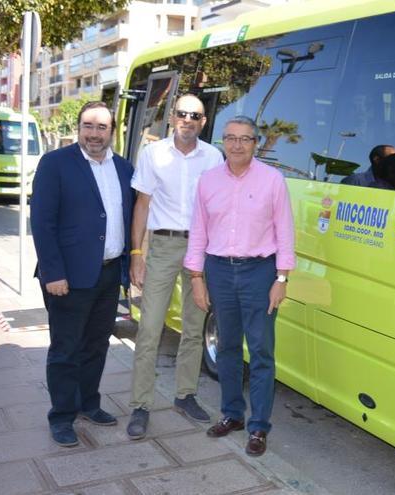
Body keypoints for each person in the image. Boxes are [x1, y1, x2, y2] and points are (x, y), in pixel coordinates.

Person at [184, 116, 295, 457]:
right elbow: (198, 232)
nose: (236, 145)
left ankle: (258, 426)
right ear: (223, 142)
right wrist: (197, 280)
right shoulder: (208, 181)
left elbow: (285, 232)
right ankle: (232, 414)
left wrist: (281, 279)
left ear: (255, 143)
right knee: (228, 347)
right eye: (230, 138)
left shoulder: (273, 180)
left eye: (244, 139)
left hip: (260, 272)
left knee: (261, 351)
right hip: (218, 271)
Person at [31, 101, 134, 447]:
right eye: (88, 125)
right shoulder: (56, 163)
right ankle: (61, 416)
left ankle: (88, 403)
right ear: (79, 128)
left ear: (112, 131)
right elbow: (42, 223)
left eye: (101, 127)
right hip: (68, 278)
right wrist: (52, 273)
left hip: (107, 275)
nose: (94, 133)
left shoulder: (123, 168)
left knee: (96, 345)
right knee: (66, 348)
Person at [126, 94, 224, 439]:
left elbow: (220, 209)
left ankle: (185, 395)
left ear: (203, 121)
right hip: (164, 245)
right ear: (171, 117)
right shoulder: (153, 154)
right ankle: (140, 404)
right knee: (150, 328)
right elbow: (142, 204)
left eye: (195, 115)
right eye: (182, 113)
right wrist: (136, 254)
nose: (187, 119)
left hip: (201, 246)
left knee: (195, 326)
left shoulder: (213, 157)